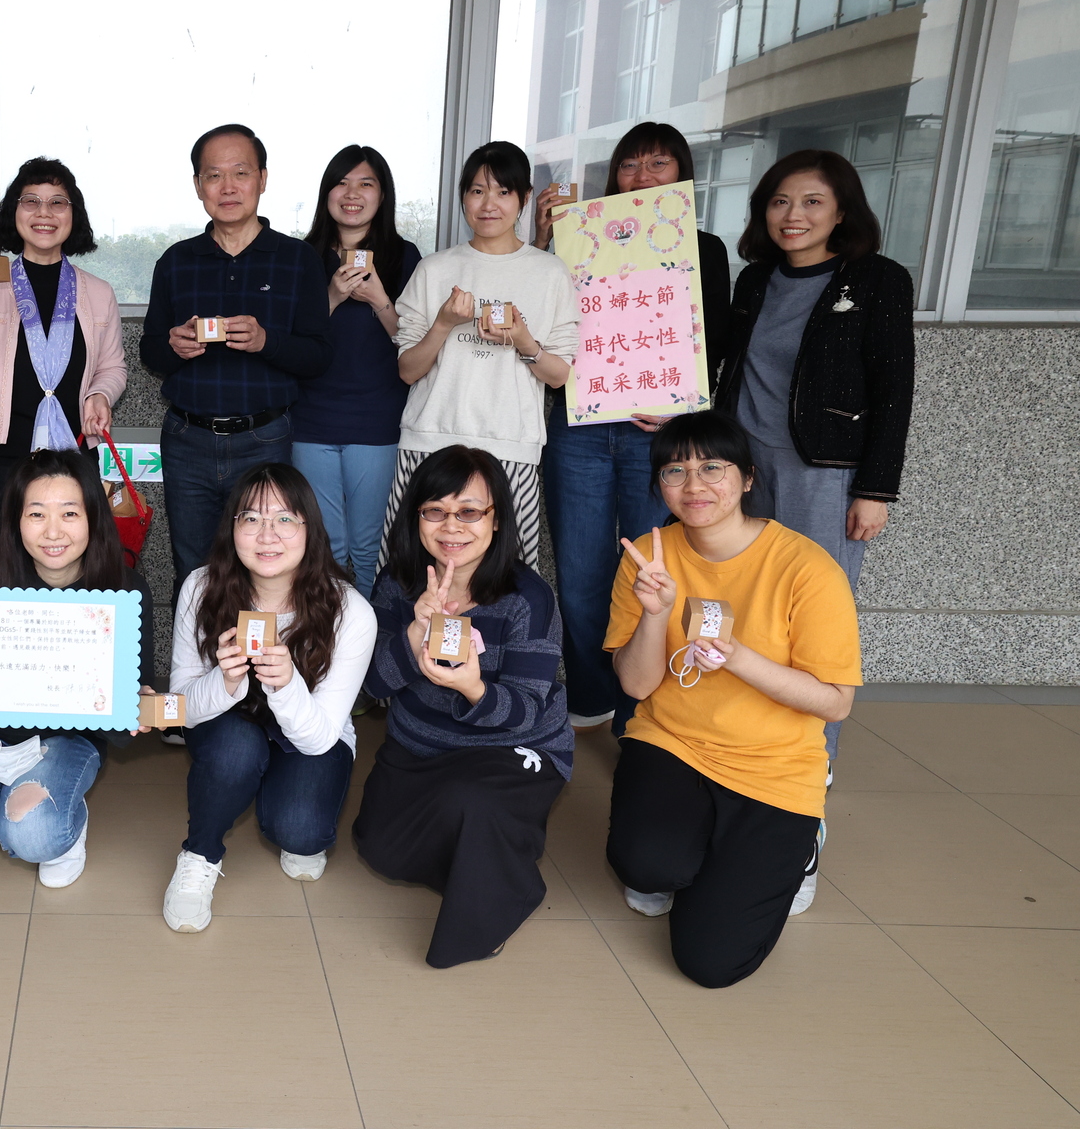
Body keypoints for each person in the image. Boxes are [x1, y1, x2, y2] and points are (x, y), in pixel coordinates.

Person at [605, 411, 860, 988]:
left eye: (712, 467)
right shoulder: (649, 557)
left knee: (710, 962)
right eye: (675, 471)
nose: (693, 486)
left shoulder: (807, 568)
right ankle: (696, 845)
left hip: (773, 762)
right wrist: (657, 614)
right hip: (674, 741)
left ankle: (803, 843)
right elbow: (637, 686)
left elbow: (835, 703)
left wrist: (739, 657)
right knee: (646, 865)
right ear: (659, 485)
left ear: (747, 477)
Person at [532, 124, 734, 732]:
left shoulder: (703, 246)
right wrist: (547, 238)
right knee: (581, 572)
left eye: (658, 164)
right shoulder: (577, 239)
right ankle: (592, 693)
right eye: (630, 166)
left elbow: (715, 340)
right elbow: (541, 319)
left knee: (655, 570)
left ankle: (645, 700)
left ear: (682, 176)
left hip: (661, 436)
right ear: (612, 176)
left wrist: (682, 407)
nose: (642, 178)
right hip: (581, 428)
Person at [716, 149, 913, 767]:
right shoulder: (754, 279)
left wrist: (875, 489)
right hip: (742, 466)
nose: (792, 215)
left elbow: (894, 389)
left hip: (824, 471)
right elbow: (719, 358)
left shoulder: (877, 280)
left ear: (841, 211)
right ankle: (748, 731)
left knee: (816, 609)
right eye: (779, 202)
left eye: (811, 202)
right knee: (745, 598)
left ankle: (812, 754)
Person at [351, 446, 570, 967]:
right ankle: (490, 848)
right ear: (416, 518)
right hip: (421, 745)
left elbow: (526, 711)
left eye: (470, 511)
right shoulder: (398, 583)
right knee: (379, 848)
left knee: (470, 799)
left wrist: (474, 689)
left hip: (512, 747)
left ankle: (505, 887)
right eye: (435, 510)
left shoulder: (528, 598)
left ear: (497, 521)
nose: (452, 525)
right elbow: (371, 689)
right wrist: (412, 633)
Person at [0, 450, 155, 891]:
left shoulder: (124, 589)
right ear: (16, 521)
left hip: (62, 737)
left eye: (70, 513)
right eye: (36, 513)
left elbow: (120, 730)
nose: (53, 531)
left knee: (36, 836)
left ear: (94, 518)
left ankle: (63, 821)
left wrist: (136, 706)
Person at [162, 463, 374, 934]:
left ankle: (273, 786)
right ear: (231, 527)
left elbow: (321, 737)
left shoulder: (351, 612)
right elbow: (180, 708)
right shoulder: (201, 587)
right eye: (251, 518)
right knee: (237, 750)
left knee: (300, 834)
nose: (267, 534)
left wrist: (285, 683)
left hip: (311, 733)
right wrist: (225, 681)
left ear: (309, 528)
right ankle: (199, 854)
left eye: (284, 518)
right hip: (229, 727)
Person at [140, 124, 332, 584]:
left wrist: (269, 342)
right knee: (194, 568)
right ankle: (202, 658)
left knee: (267, 569)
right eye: (213, 175)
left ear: (262, 179)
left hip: (265, 438)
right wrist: (174, 346)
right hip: (187, 439)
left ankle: (261, 659)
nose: (228, 187)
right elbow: (149, 353)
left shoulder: (297, 259)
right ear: (198, 186)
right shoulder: (176, 261)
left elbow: (319, 356)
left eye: (241, 172)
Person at [389, 141, 577, 569]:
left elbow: (559, 376)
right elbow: (407, 370)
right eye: (476, 191)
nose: (489, 204)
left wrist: (525, 341)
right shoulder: (434, 268)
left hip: (511, 444)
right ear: (462, 198)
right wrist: (442, 324)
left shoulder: (549, 273)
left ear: (525, 198)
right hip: (431, 440)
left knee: (504, 578)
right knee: (416, 572)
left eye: (503, 192)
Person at [0, 157, 126, 547]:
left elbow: (113, 366)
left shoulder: (99, 292)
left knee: (71, 569)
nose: (44, 213)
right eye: (31, 201)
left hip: (73, 458)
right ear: (13, 211)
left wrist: (100, 394)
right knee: (3, 571)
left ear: (74, 215)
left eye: (58, 202)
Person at [290, 145, 419, 598]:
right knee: (323, 547)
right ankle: (327, 650)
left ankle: (366, 656)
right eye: (341, 183)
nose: (352, 194)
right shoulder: (301, 257)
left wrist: (380, 299)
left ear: (383, 196)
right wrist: (330, 295)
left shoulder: (404, 256)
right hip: (310, 420)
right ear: (327, 193)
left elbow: (417, 345)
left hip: (377, 421)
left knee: (368, 548)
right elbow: (286, 341)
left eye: (366, 184)